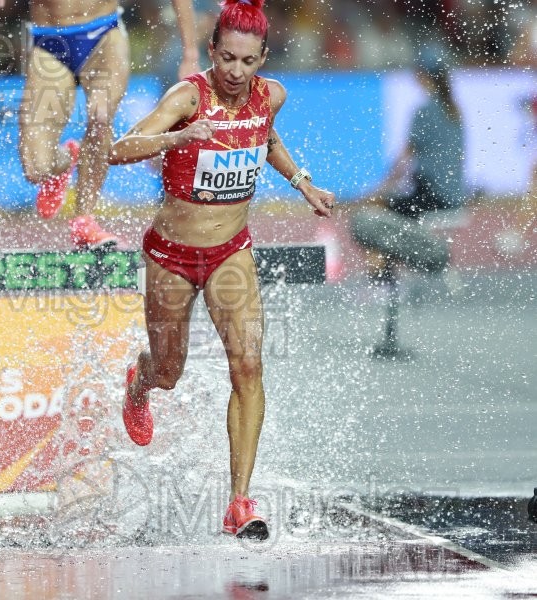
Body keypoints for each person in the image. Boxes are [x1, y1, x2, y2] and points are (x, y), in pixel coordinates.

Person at [109, 0, 334, 539]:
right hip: (172, 257)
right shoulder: (188, 97)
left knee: (249, 368)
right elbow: (120, 149)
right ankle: (139, 384)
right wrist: (177, 138)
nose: (236, 72)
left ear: (263, 59)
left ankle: (239, 502)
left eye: (248, 61)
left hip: (231, 252)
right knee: (170, 371)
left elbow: (267, 139)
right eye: (227, 58)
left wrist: (302, 183)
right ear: (211, 52)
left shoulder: (270, 96)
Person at [0, 0, 199, 249]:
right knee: (36, 168)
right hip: (49, 42)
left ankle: (84, 220)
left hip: (103, 35)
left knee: (100, 117)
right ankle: (65, 160)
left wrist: (190, 53)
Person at [350, 44, 463, 357]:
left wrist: (376, 193)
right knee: (392, 212)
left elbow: (403, 162)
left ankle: (382, 281)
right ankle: (389, 276)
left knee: (376, 218)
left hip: (433, 194)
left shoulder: (425, 111)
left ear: (424, 76)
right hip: (451, 195)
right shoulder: (454, 109)